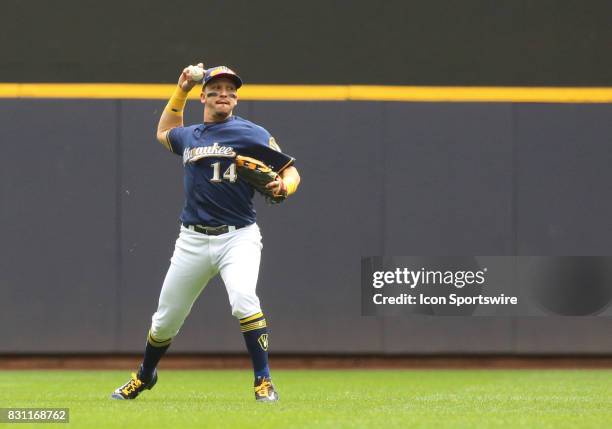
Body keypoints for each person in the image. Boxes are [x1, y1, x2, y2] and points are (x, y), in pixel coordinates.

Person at [111, 63, 300, 402]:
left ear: (236, 99)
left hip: (237, 237)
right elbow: (164, 132)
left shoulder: (251, 133)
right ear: (204, 96)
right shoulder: (191, 135)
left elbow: (291, 172)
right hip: (192, 240)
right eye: (216, 90)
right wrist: (180, 88)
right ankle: (145, 375)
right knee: (165, 321)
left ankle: (264, 381)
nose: (223, 94)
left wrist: (283, 187)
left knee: (244, 300)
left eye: (230, 90)